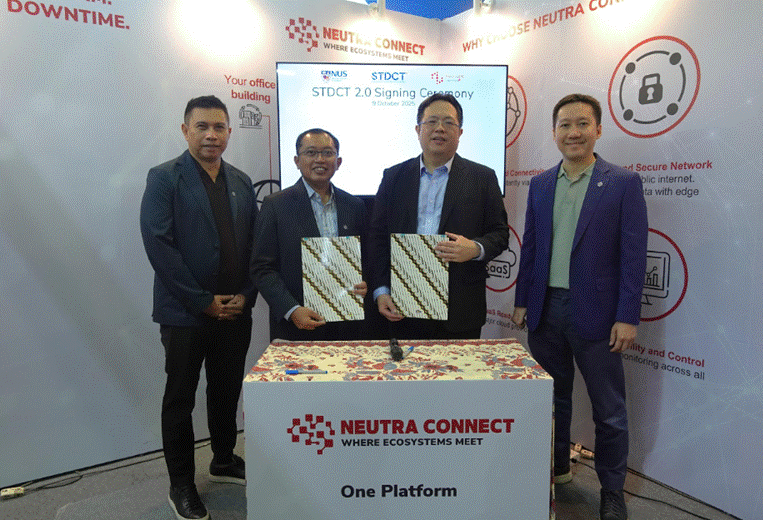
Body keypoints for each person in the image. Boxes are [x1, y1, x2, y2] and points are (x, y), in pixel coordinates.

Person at [511, 94, 648, 520]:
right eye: (565, 125)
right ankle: (557, 469)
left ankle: (612, 492)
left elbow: (634, 256)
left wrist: (627, 316)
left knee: (609, 411)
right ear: (554, 132)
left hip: (599, 315)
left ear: (598, 129)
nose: (573, 132)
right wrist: (521, 300)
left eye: (582, 124)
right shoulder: (540, 184)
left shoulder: (622, 182)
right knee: (552, 399)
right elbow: (531, 247)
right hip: (545, 310)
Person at [140, 95, 259, 520]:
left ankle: (223, 459)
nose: (211, 135)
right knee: (180, 399)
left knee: (226, 390)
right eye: (202, 126)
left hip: (235, 309)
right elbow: (159, 245)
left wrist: (247, 293)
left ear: (229, 132)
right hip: (185, 312)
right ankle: (182, 485)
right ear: (185, 130)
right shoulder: (164, 178)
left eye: (219, 127)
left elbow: (254, 246)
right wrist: (202, 301)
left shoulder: (241, 180)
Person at [368, 93, 509, 339]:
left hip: (461, 309)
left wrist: (475, 248)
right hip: (402, 304)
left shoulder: (482, 177)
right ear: (418, 130)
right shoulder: (394, 177)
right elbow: (378, 238)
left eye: (448, 122)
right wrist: (381, 290)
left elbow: (500, 234)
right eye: (431, 121)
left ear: (460, 132)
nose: (440, 129)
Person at [251, 128, 367, 341]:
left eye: (327, 153)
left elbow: (365, 260)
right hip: (296, 327)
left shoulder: (355, 206)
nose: (320, 159)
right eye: (311, 152)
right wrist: (292, 309)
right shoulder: (276, 205)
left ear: (338, 162)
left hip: (346, 325)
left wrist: (365, 283)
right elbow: (262, 268)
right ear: (297, 161)